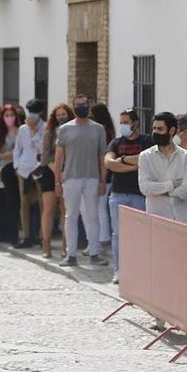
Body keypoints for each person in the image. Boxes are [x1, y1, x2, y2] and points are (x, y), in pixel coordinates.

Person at [54, 94, 109, 267]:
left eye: (84, 104)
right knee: (71, 216)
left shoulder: (98, 129)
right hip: (71, 178)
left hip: (92, 177)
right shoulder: (65, 129)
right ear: (74, 107)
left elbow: (102, 156)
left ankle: (94, 252)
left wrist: (102, 180)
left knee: (93, 216)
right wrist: (57, 181)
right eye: (78, 105)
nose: (81, 107)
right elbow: (58, 158)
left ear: (89, 106)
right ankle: (71, 254)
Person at [104, 108, 153, 280]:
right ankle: (118, 269)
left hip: (139, 194)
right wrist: (133, 166)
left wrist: (123, 161)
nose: (123, 125)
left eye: (126, 122)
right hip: (118, 193)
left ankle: (138, 269)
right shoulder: (116, 143)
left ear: (135, 122)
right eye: (121, 122)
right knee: (117, 234)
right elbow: (109, 163)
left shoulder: (147, 141)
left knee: (140, 234)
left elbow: (146, 159)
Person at [138, 112, 187, 222]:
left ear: (171, 131)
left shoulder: (186, 156)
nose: (155, 132)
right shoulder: (145, 156)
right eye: (154, 129)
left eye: (160, 129)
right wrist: (172, 185)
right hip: (156, 217)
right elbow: (145, 188)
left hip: (181, 217)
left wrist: (162, 191)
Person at [38, 104, 73, 258]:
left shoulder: (73, 131)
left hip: (69, 172)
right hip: (50, 172)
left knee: (67, 211)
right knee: (49, 209)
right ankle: (46, 244)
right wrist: (57, 171)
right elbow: (45, 155)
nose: (61, 117)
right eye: (58, 114)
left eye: (63, 114)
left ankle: (66, 245)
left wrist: (65, 172)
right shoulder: (49, 132)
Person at [13, 99, 46, 247]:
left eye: (34, 112)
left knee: (42, 203)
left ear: (40, 113)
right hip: (24, 169)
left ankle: (42, 235)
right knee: (24, 202)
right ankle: (26, 236)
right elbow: (18, 149)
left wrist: (34, 132)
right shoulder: (22, 129)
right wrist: (17, 166)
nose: (31, 115)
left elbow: (41, 148)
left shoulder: (45, 128)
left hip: (39, 168)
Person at [0, 105, 20, 244]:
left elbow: (20, 152)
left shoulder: (20, 132)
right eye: (6, 115)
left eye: (11, 115)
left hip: (14, 172)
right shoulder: (0, 134)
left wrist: (8, 155)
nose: (9, 118)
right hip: (0, 171)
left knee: (11, 204)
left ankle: (12, 234)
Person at [90, 103, 117, 258]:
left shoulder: (102, 131)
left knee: (100, 208)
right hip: (103, 173)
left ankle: (102, 239)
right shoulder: (108, 129)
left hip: (102, 174)